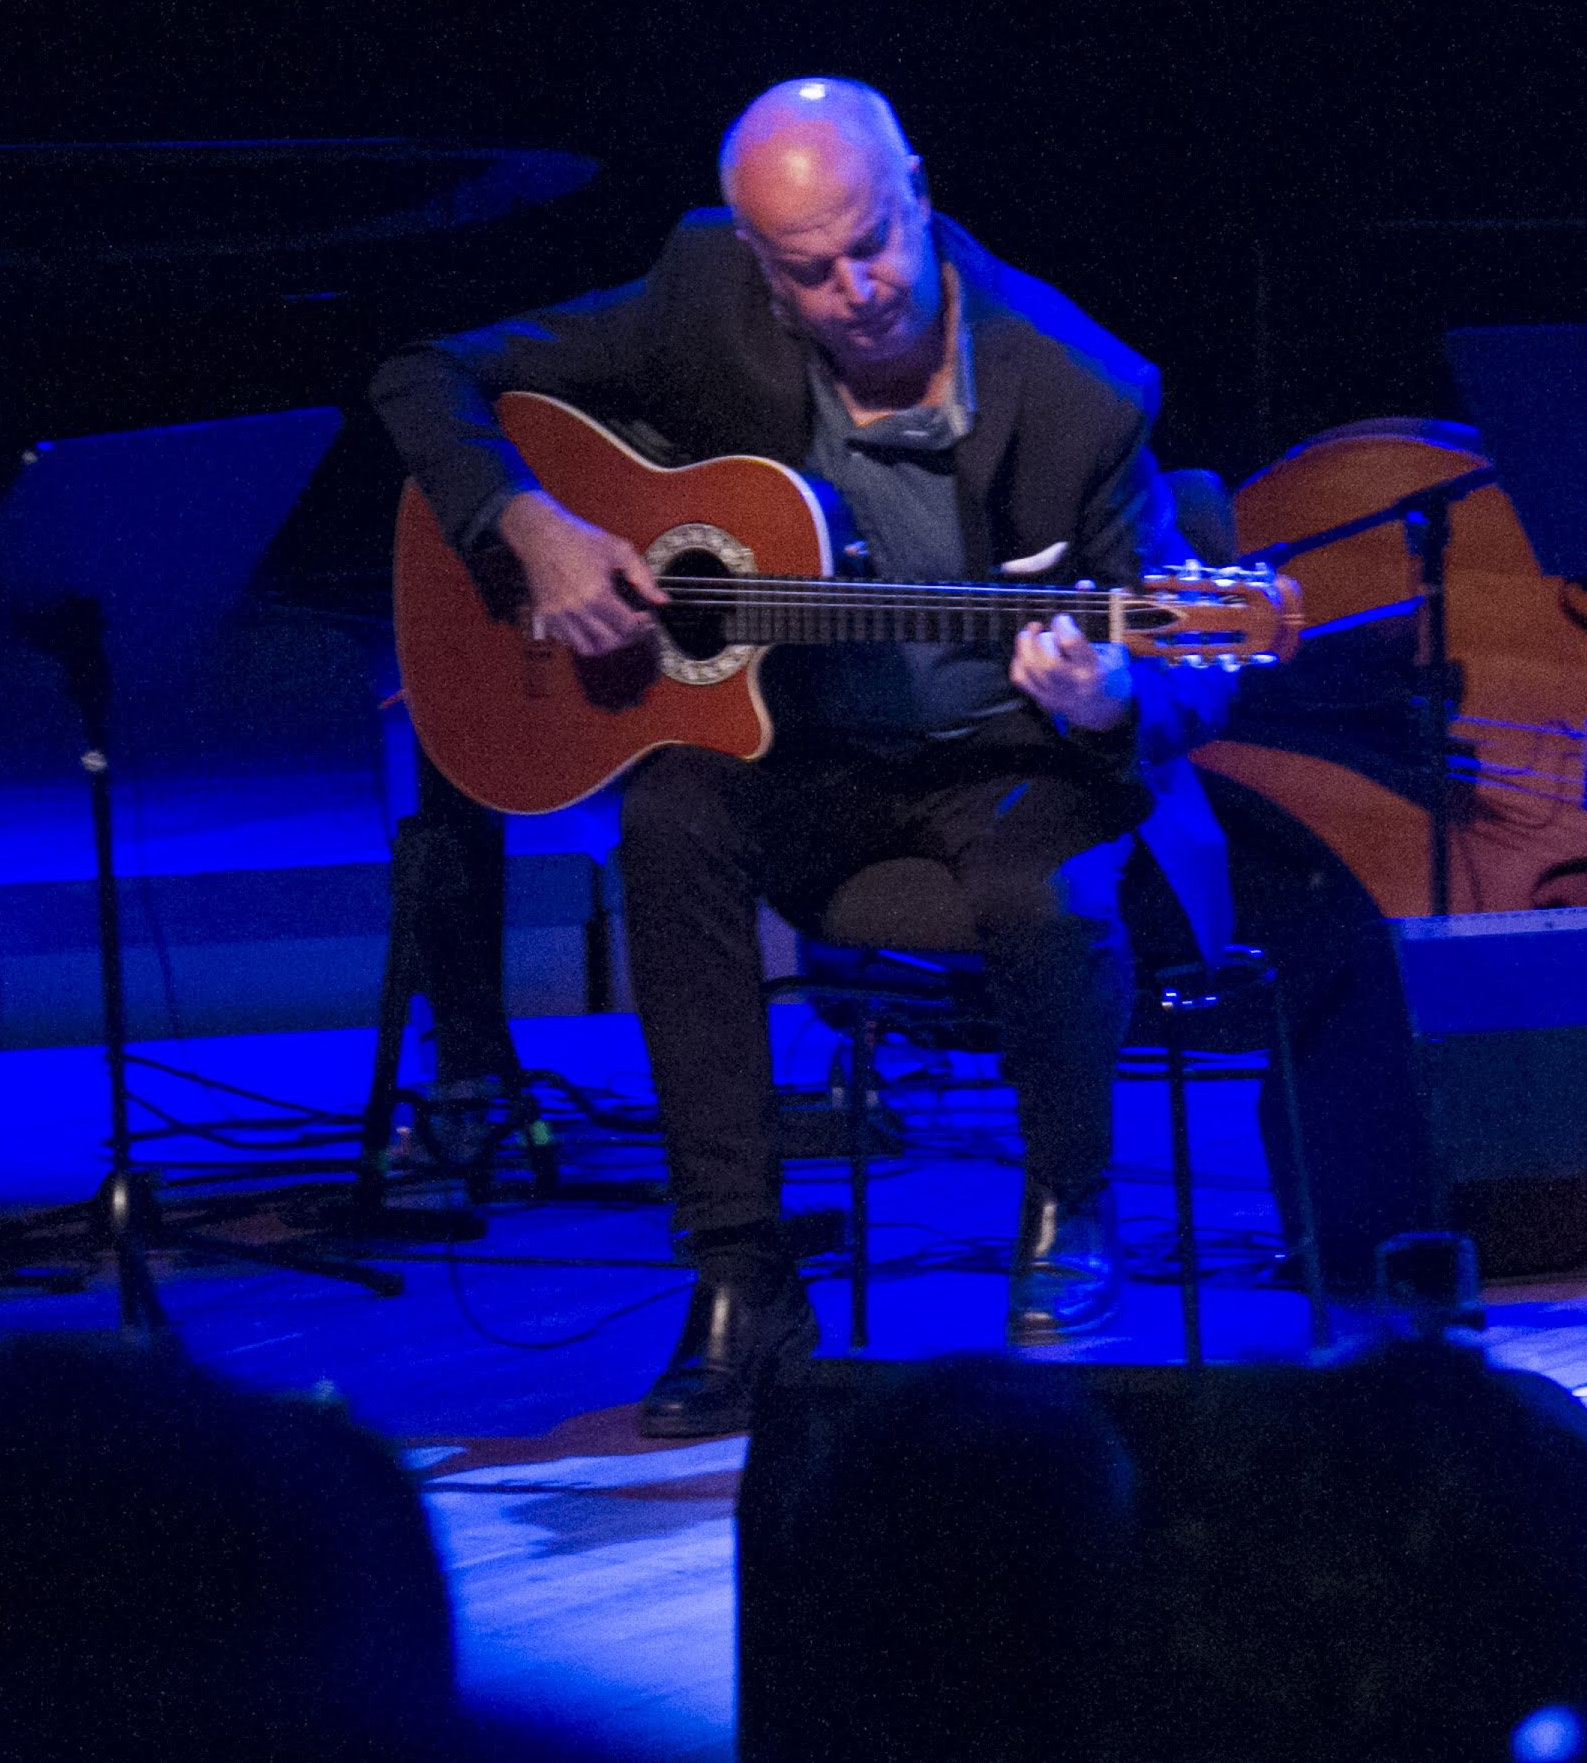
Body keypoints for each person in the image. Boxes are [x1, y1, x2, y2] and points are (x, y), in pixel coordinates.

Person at [375, 81, 1236, 1431]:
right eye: (809, 272)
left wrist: (1111, 689)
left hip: (1005, 760)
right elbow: (421, 374)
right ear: (765, 277)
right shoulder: (701, 290)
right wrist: (525, 521)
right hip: (799, 755)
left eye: (873, 243)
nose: (858, 289)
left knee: (1040, 889)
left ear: (918, 192)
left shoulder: (1078, 389)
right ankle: (741, 1278)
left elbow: (1192, 677)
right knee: (670, 821)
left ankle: (1072, 1193)